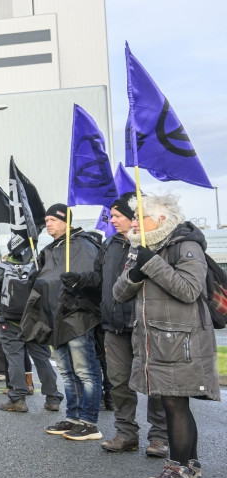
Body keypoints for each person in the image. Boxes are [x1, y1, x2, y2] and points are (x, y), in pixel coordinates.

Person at [112, 193, 219, 478]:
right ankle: (191, 470)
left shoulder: (186, 245)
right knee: (175, 402)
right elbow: (119, 293)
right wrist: (136, 272)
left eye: (139, 217)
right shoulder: (140, 248)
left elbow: (188, 290)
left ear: (160, 218)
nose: (134, 222)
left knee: (174, 402)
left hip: (182, 340)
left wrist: (152, 263)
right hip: (156, 340)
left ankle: (176, 471)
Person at [69, 193, 168, 455]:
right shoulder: (110, 244)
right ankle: (126, 433)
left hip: (145, 325)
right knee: (119, 382)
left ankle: (159, 437)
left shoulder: (151, 243)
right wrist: (79, 279)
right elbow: (99, 278)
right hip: (113, 326)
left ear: (133, 216)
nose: (111, 220)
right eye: (111, 216)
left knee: (154, 382)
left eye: (117, 216)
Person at [29, 204, 104, 442]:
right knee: (67, 372)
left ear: (66, 221)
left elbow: (94, 279)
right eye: (46, 220)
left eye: (52, 219)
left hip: (77, 316)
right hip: (55, 317)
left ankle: (89, 422)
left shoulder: (82, 245)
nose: (48, 224)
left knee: (85, 371)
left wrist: (77, 283)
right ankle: (73, 417)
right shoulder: (51, 249)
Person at [0, 235, 56, 412]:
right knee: (42, 358)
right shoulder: (39, 265)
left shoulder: (0, 268)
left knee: (14, 358)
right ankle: (53, 397)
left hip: (9, 320)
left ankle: (18, 398)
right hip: (36, 320)